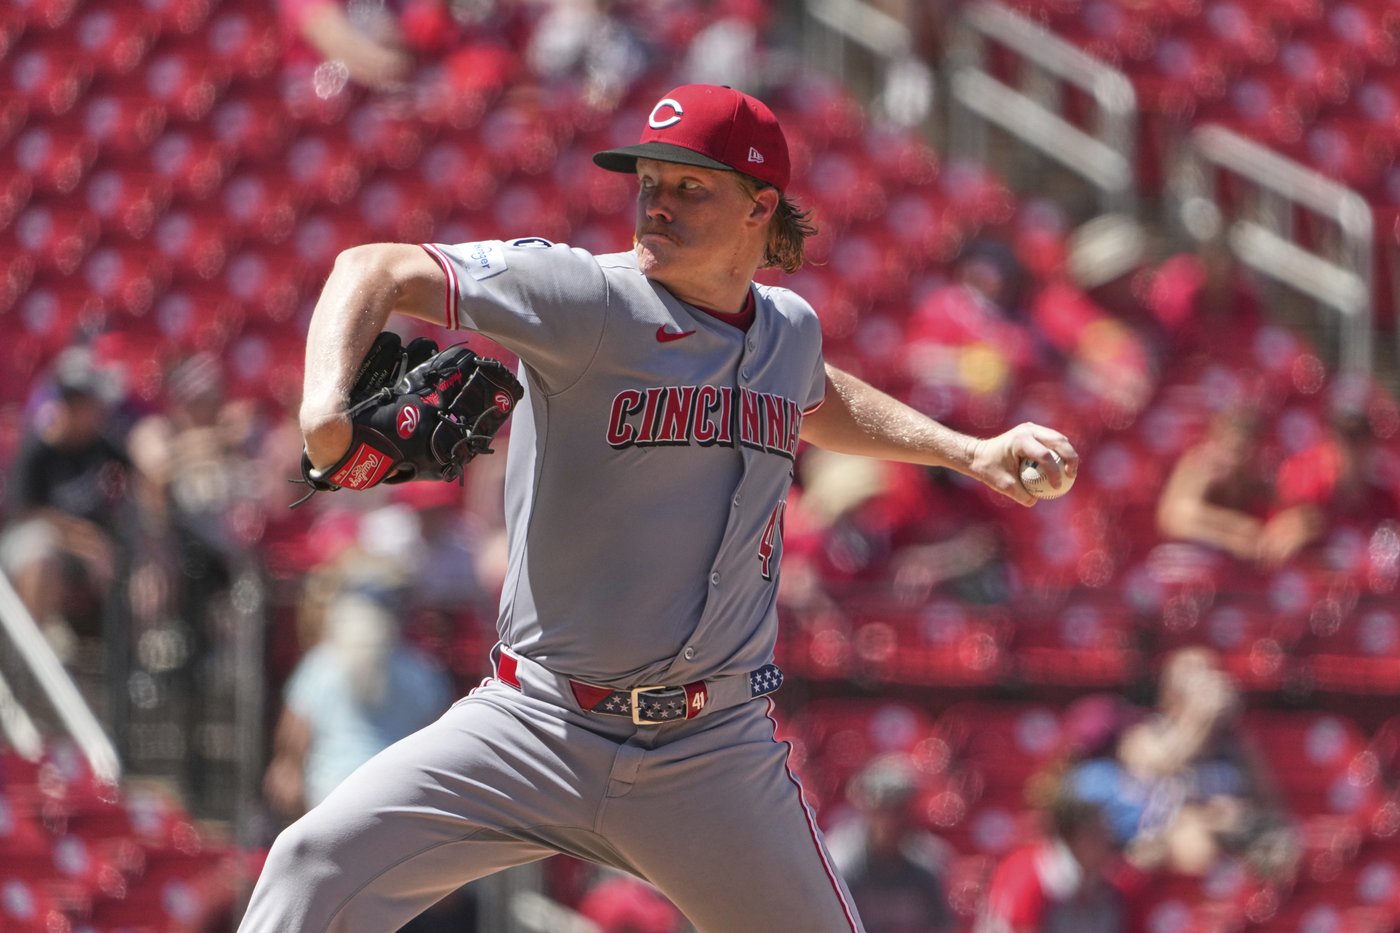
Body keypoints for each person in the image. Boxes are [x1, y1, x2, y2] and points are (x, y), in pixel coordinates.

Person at [238, 82, 1079, 933]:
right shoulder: (585, 298)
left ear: (760, 207)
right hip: (537, 721)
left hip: (711, 755)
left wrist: (966, 451)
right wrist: (323, 411)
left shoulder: (789, 330)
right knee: (312, 865)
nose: (658, 204)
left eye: (689, 186)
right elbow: (372, 266)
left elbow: (816, 395)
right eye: (649, 183)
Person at [1, 346, 131, 658]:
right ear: (72, 403)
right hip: (31, 550)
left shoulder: (103, 445)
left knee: (137, 555)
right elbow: (26, 516)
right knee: (40, 550)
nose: (97, 409)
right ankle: (30, 659)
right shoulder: (37, 449)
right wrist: (82, 538)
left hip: (88, 554)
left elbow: (139, 482)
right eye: (89, 403)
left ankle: (127, 656)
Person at [825, 754, 956, 933]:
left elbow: (943, 927)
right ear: (868, 809)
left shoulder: (929, 860)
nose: (894, 819)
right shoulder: (840, 861)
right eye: (885, 808)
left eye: (901, 808)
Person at [976, 785, 1126, 933]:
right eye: (1097, 833)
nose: (1108, 840)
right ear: (1076, 838)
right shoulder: (1034, 873)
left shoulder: (1105, 882)